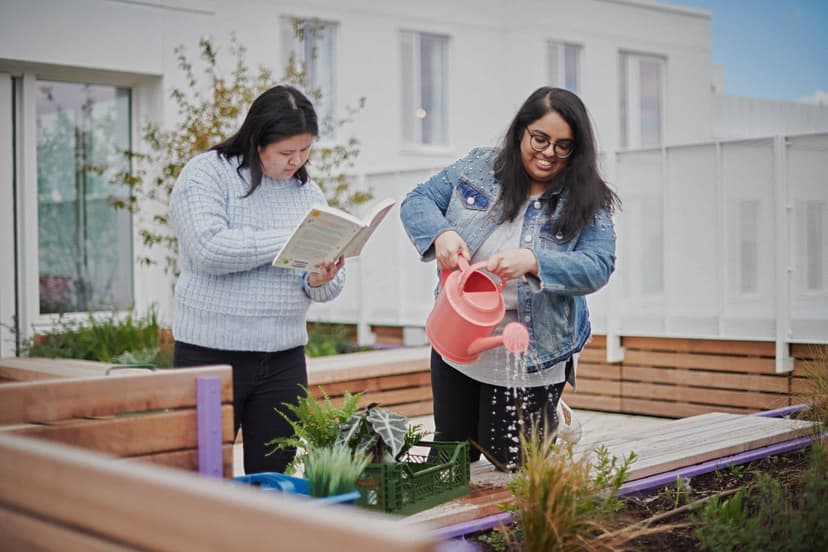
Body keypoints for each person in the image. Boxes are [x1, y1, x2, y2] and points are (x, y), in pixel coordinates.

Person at [400, 87, 619, 469]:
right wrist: (441, 234)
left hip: (534, 350)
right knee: (455, 453)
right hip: (461, 334)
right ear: (521, 130)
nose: (548, 152)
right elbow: (417, 200)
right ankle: (546, 413)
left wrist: (534, 261)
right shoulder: (478, 168)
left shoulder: (587, 198)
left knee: (507, 461)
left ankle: (555, 415)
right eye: (540, 138)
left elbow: (598, 265)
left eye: (563, 146)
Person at [168, 85, 345, 474]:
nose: (296, 161)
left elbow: (327, 287)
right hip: (210, 354)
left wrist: (319, 277)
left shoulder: (306, 191)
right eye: (286, 152)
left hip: (283, 358)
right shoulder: (207, 173)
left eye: (305, 150)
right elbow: (209, 250)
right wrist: (293, 238)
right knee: (202, 475)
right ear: (256, 138)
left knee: (274, 479)